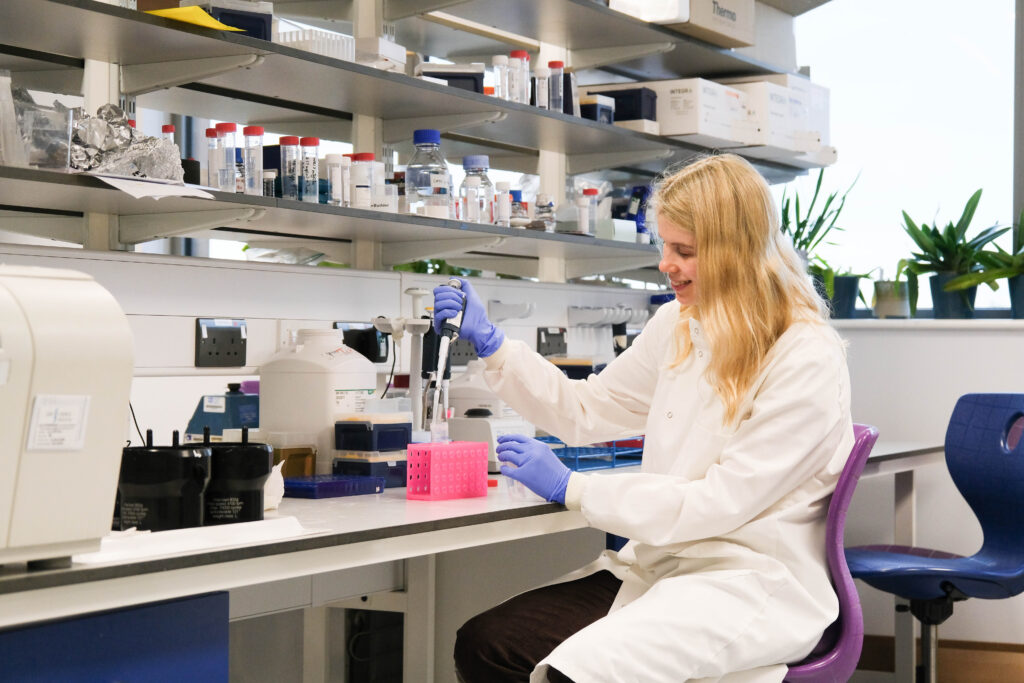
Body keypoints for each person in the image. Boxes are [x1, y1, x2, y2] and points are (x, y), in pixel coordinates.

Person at [432, 154, 854, 683]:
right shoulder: (679, 323)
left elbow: (720, 502)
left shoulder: (805, 355)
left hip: (747, 579)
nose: (665, 264)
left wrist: (574, 488)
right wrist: (494, 346)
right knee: (487, 645)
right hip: (661, 565)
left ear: (737, 253)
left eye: (685, 251)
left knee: (574, 673)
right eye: (664, 246)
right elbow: (588, 409)